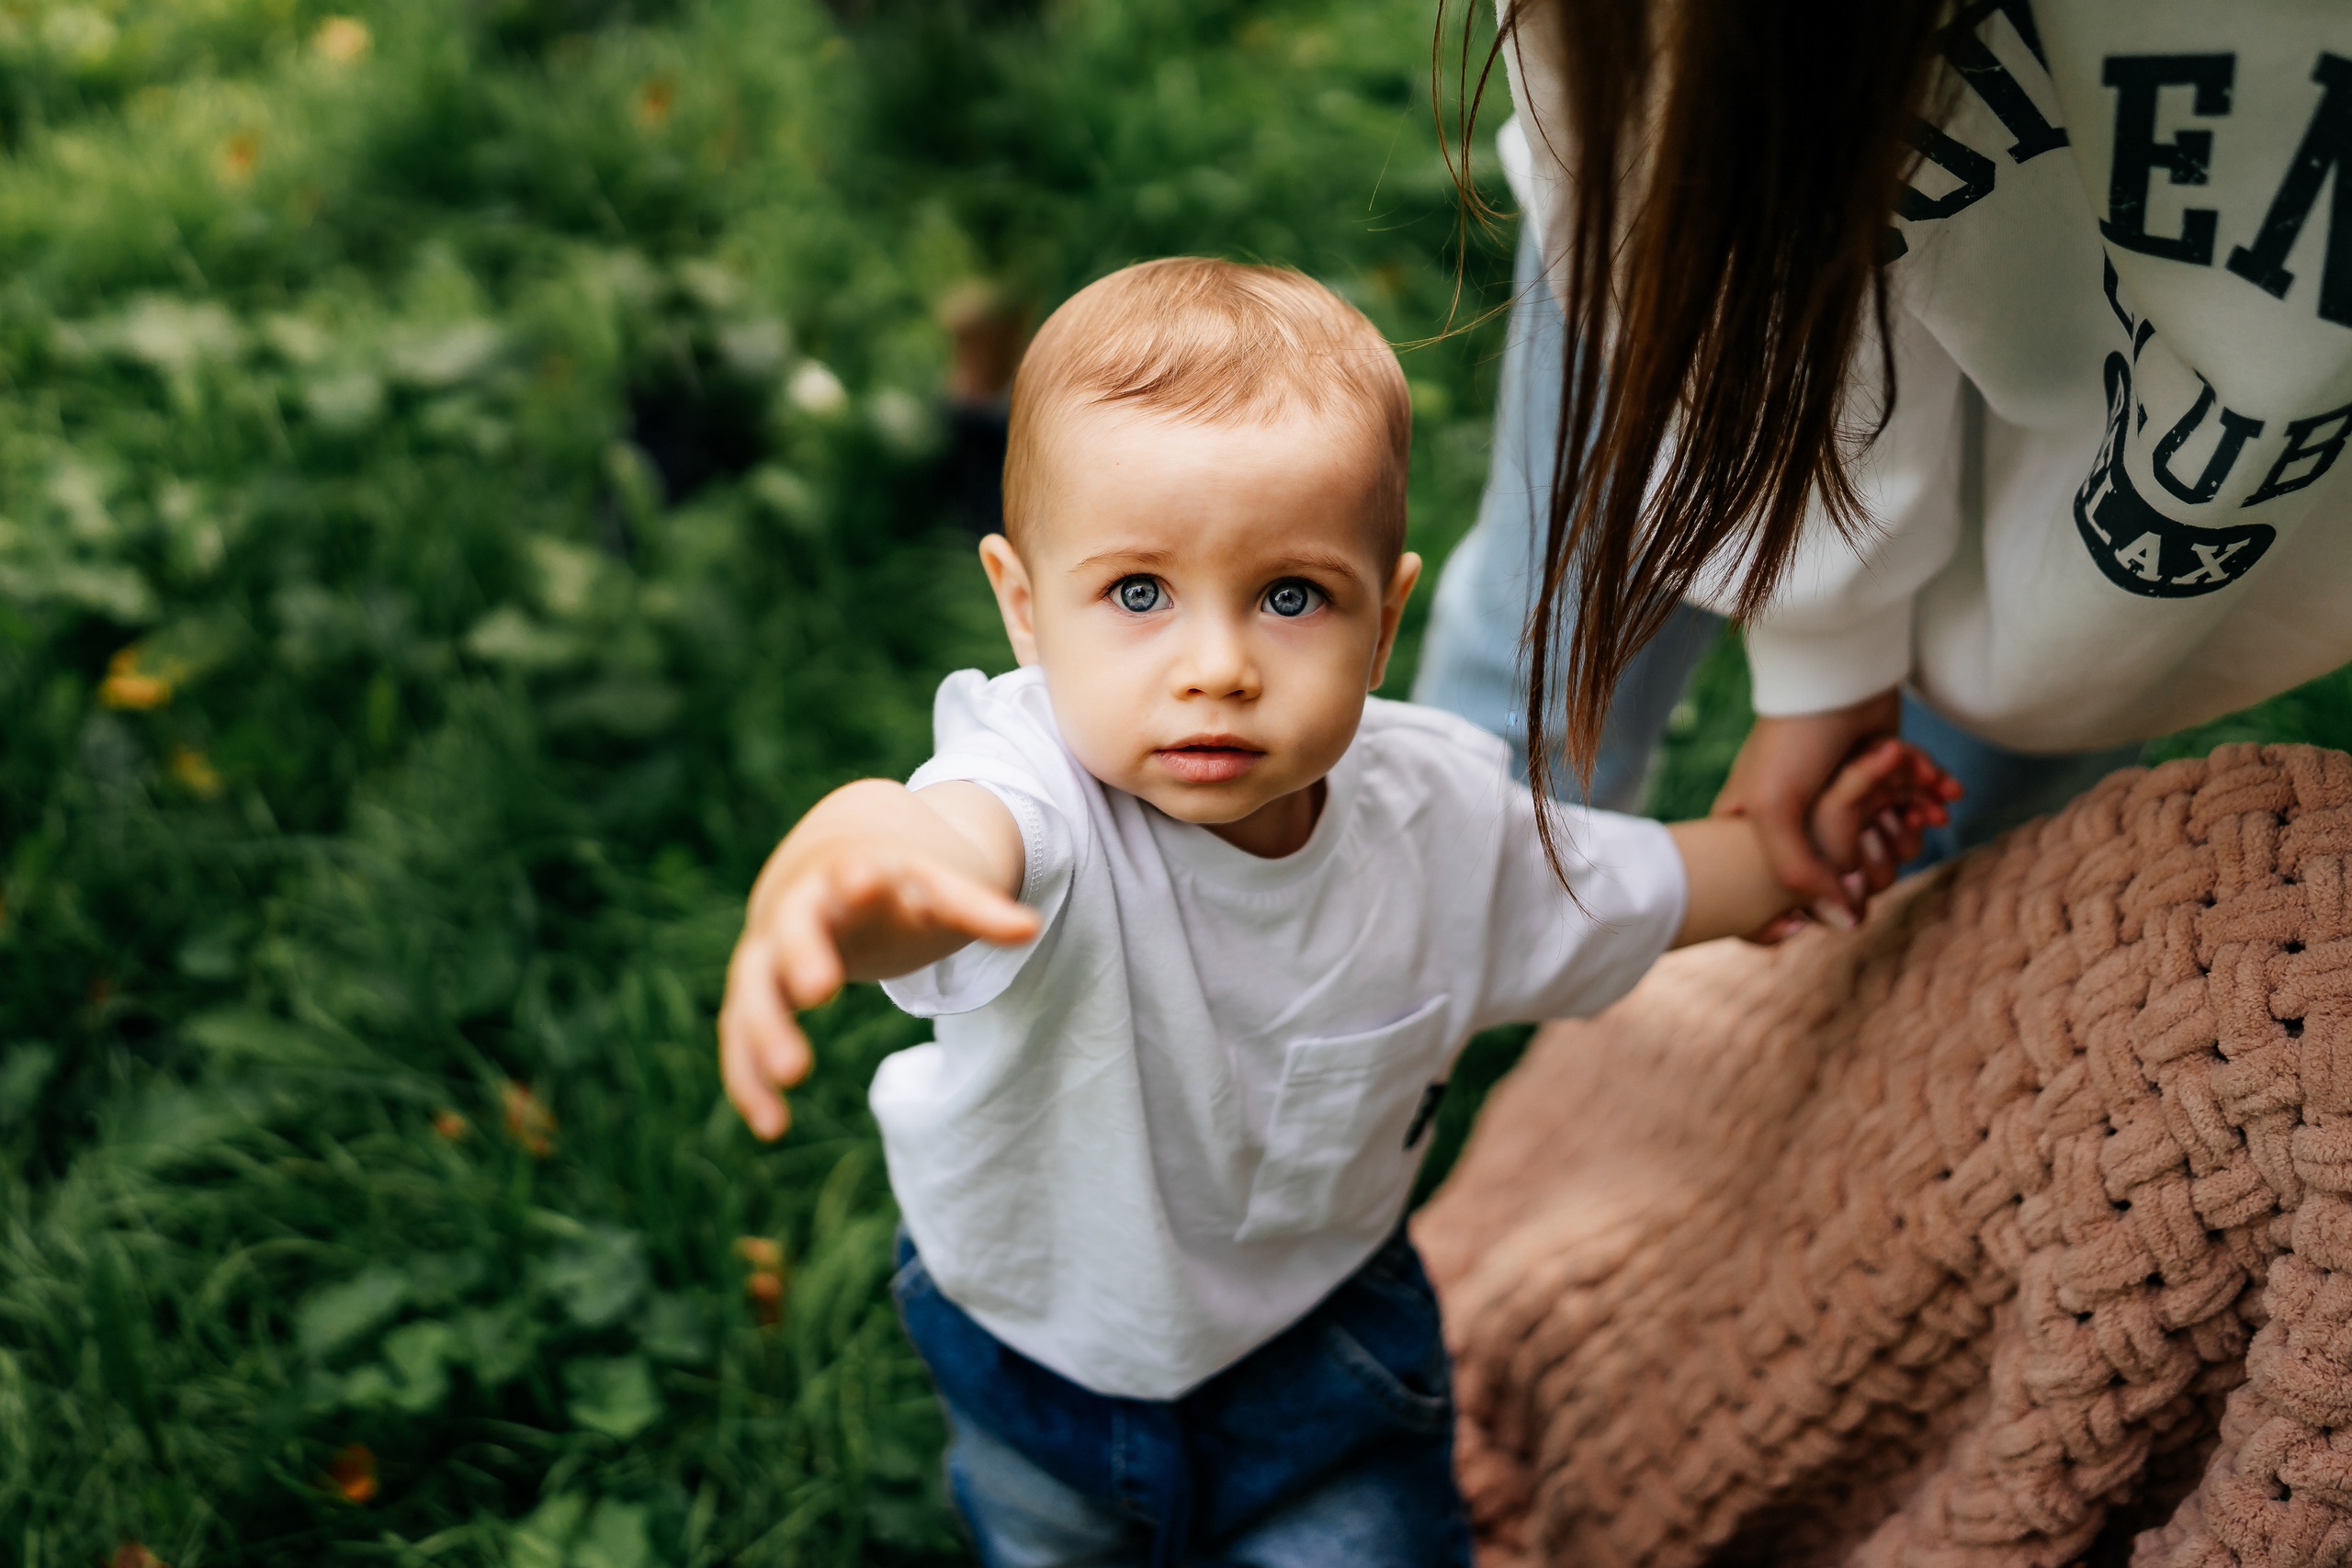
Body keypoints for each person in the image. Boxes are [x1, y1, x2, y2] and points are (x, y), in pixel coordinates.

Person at [718, 258, 1955, 1567]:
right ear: (1025, 608)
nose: (1216, 666)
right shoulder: (1037, 802)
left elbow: (1620, 884)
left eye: (1291, 594)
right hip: (1034, 1350)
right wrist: (843, 871)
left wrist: (1784, 862)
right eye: (1138, 592)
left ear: (1384, 621)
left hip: (1324, 1359)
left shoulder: (1442, 822)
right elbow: (932, 846)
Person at [1419, 0, 2352, 907]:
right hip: (1681, 264)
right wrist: (1824, 650)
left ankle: (1750, 1036)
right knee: (1533, 669)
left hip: (2144, 563)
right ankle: (1416, 944)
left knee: (1936, 878)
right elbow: (1670, 93)